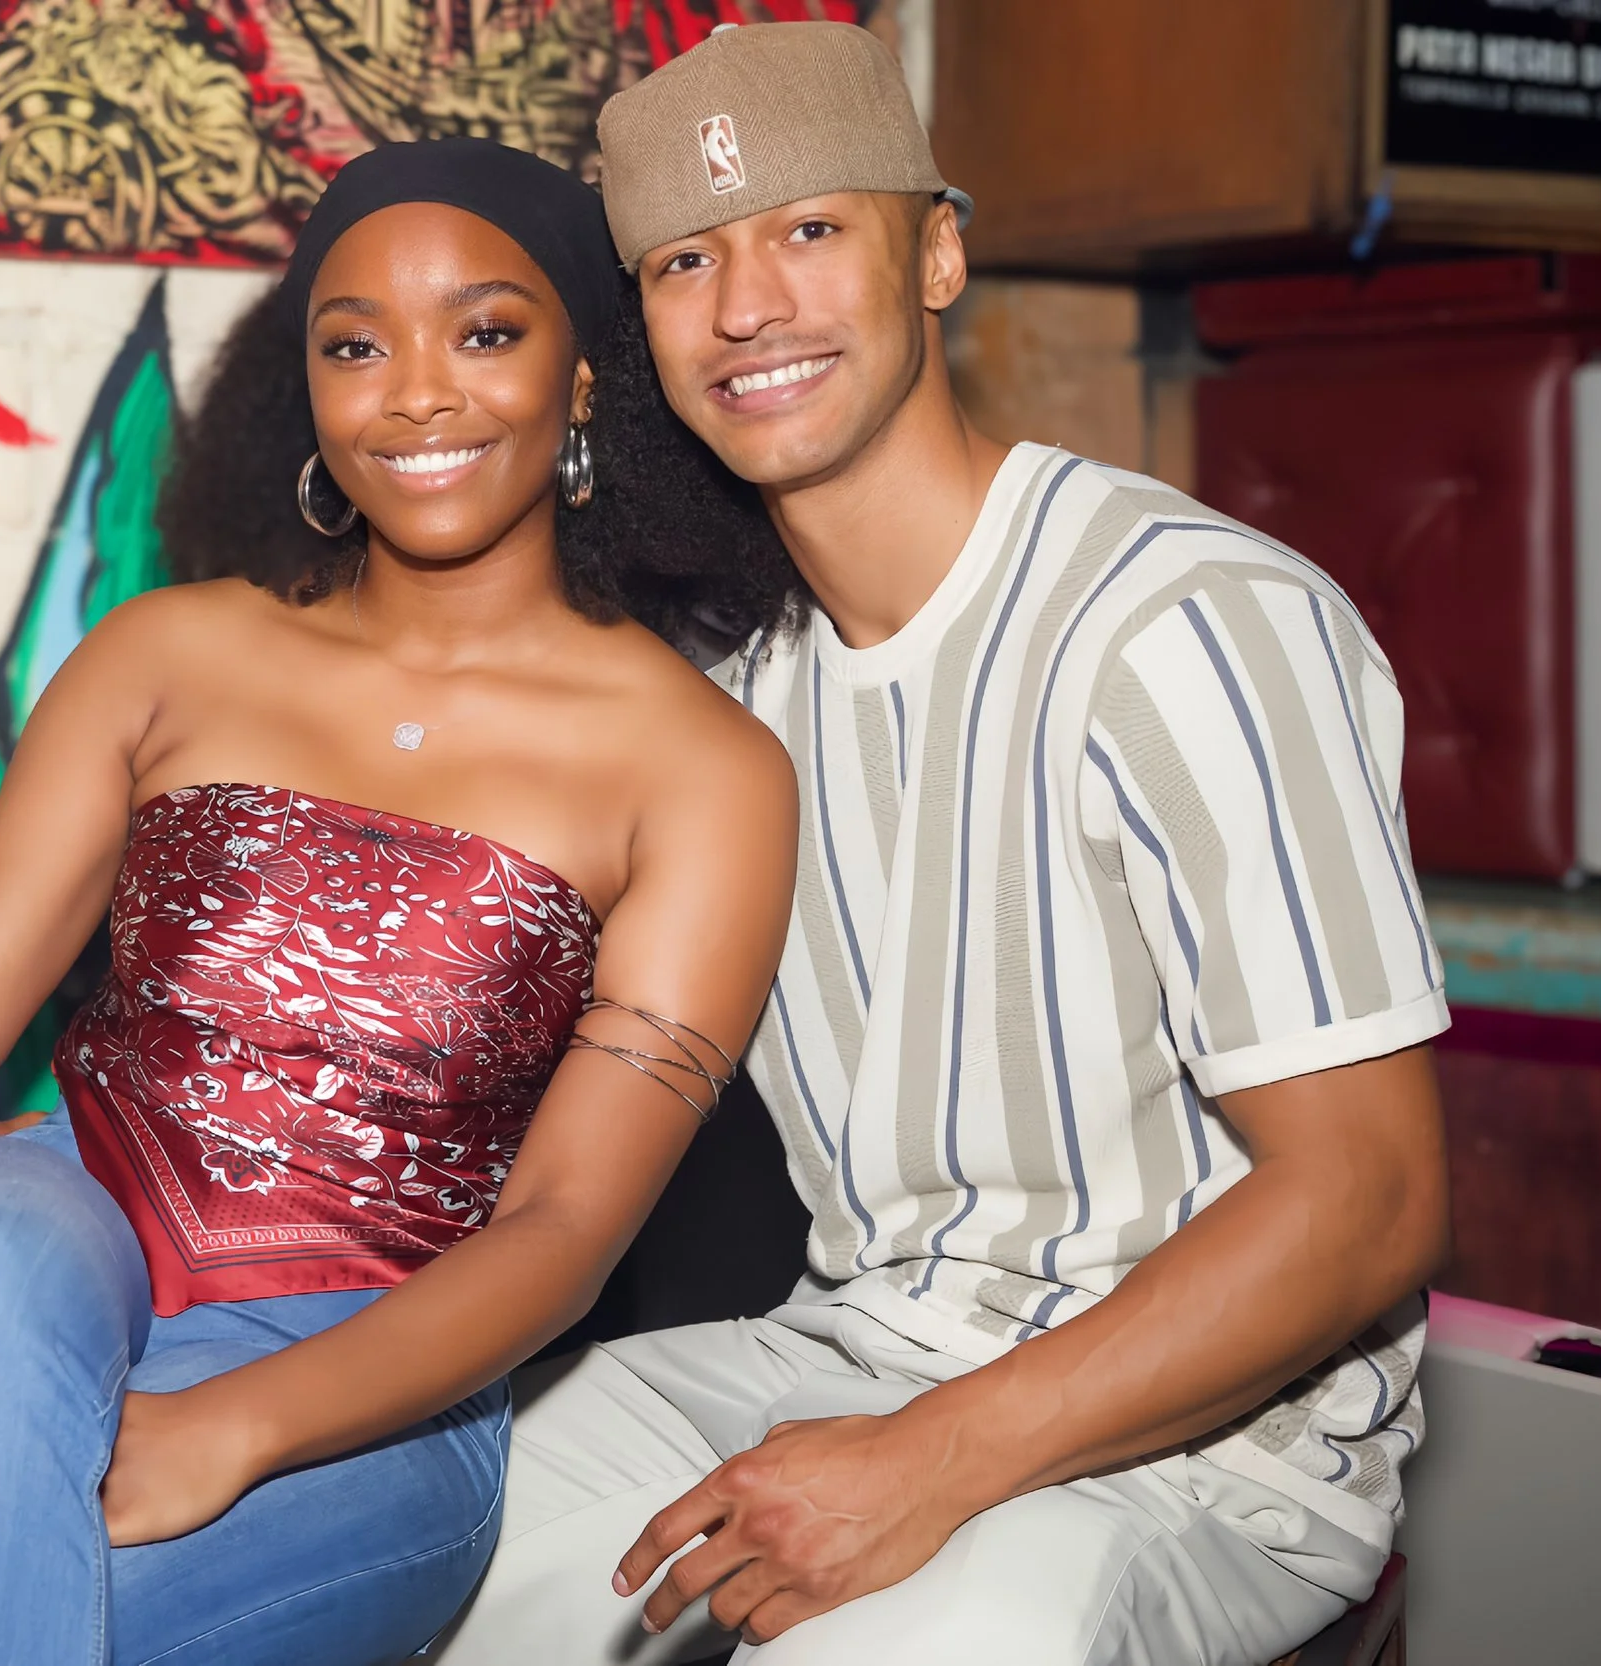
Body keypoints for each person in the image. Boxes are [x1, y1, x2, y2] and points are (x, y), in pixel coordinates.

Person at [428, 23, 1453, 1666]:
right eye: (688, 261)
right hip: (849, 1350)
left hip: (1211, 1451)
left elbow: (1371, 1195)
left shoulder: (1186, 623)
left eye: (810, 230)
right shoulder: (729, 695)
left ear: (939, 253)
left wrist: (931, 1461)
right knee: (413, 1543)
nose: (748, 303)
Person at [0, 138, 803, 1666]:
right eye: (356, 345)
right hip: (53, 1210)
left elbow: (562, 1227)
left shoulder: (706, 769)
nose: (417, 392)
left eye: (486, 332)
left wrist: (236, 1425)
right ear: (306, 389)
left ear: (583, 378)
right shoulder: (166, 653)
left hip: (372, 1368)